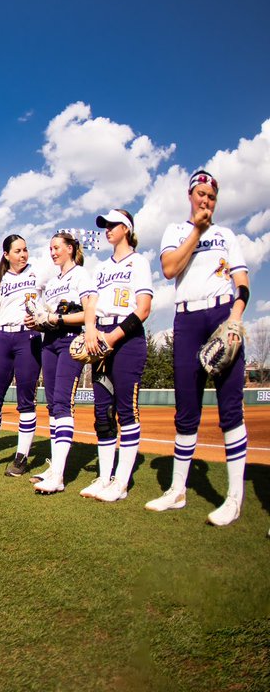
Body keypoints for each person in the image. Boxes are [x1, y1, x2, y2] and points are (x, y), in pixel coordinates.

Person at [147, 170, 250, 526]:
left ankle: (234, 498)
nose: (206, 200)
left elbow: (242, 283)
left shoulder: (227, 235)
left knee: (230, 409)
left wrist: (235, 319)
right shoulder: (176, 232)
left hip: (221, 314)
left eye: (211, 196)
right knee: (186, 410)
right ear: (190, 195)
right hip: (187, 321)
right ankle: (177, 490)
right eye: (200, 194)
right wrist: (197, 230)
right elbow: (170, 269)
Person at [79, 209, 152, 502]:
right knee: (101, 412)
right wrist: (90, 331)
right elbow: (92, 306)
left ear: (126, 228)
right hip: (101, 338)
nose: (107, 229)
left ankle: (121, 482)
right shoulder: (101, 268)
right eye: (105, 225)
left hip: (127, 338)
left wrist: (112, 337)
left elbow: (143, 309)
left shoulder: (139, 262)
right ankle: (105, 477)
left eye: (112, 225)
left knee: (126, 411)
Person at [27, 231, 91, 494]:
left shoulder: (81, 275)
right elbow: (48, 316)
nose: (52, 252)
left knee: (63, 403)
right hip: (50, 342)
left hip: (70, 342)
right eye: (50, 248)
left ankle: (59, 476)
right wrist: (37, 319)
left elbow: (89, 313)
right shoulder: (53, 281)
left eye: (56, 247)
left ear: (70, 248)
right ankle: (55, 468)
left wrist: (57, 320)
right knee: (53, 405)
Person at [0, 235, 43, 473]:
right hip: (3, 339)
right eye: (17, 251)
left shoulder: (39, 272)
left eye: (25, 249)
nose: (23, 254)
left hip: (29, 337)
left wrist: (44, 318)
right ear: (6, 254)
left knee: (26, 400)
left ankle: (21, 456)